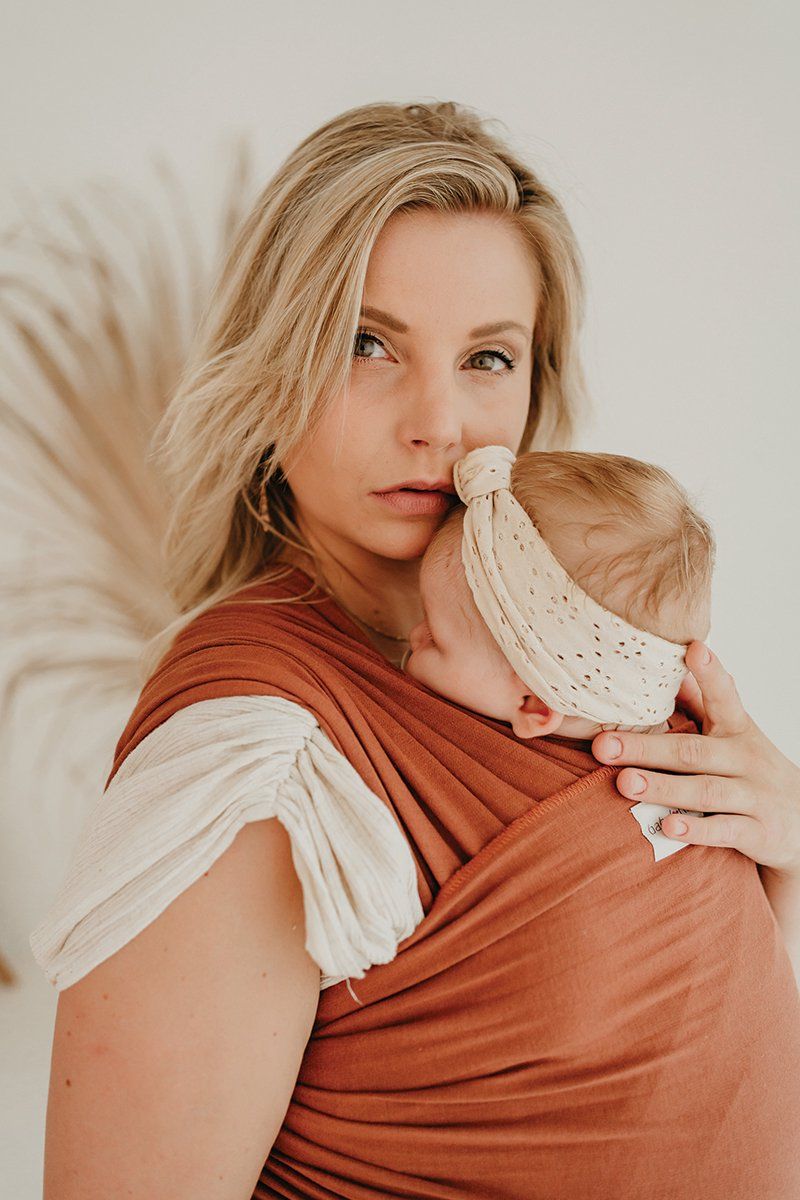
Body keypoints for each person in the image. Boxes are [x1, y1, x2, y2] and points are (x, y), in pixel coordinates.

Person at [26, 100, 800, 1198]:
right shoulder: (252, 760)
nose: (439, 422)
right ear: (273, 361)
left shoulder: (585, 658)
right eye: (366, 343)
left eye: (488, 356)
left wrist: (778, 856)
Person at [401, 443, 713, 744]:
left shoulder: (491, 768)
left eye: (434, 639)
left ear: (534, 705)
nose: (414, 636)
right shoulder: (697, 736)